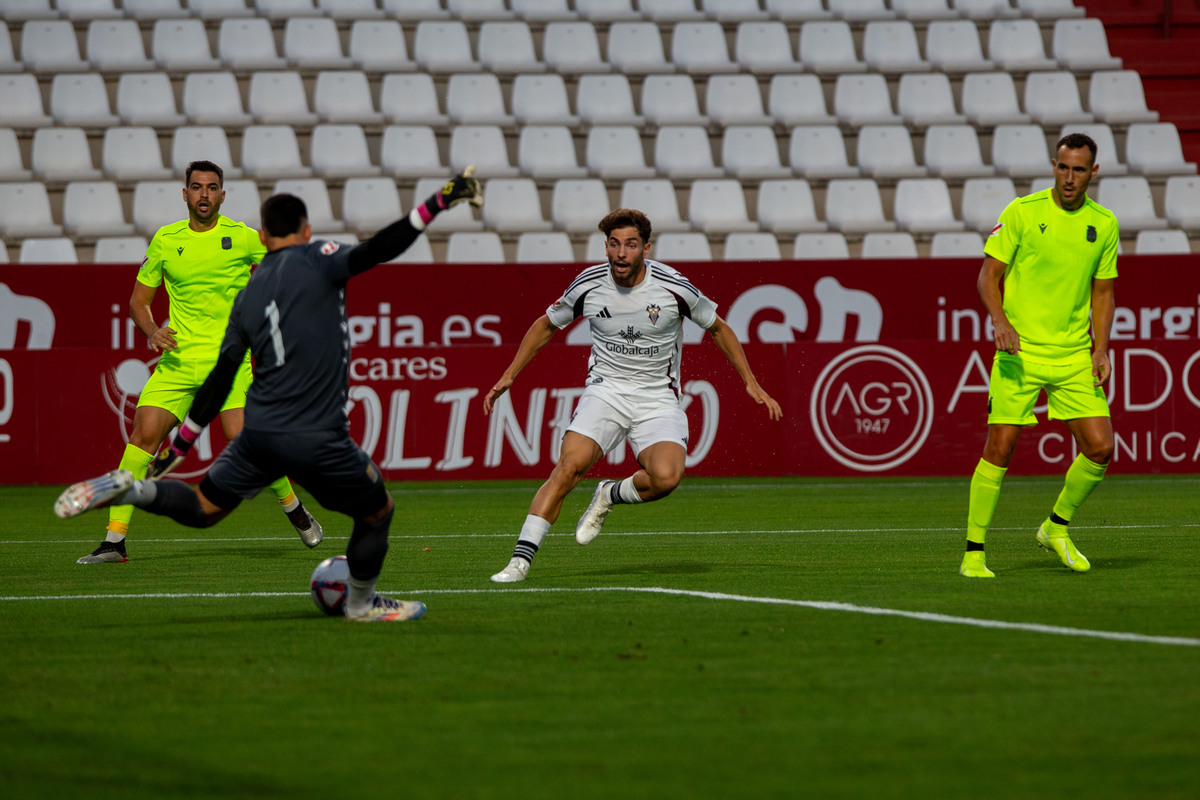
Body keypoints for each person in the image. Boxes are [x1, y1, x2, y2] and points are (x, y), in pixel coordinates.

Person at [55, 168, 485, 621]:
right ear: (307, 231)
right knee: (378, 511)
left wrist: (179, 447)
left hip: (261, 433)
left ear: (261, 236)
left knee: (203, 507)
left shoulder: (248, 296)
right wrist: (441, 199)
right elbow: (380, 248)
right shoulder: (320, 257)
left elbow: (220, 379)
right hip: (317, 432)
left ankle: (135, 489)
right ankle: (359, 604)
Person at [484, 208, 783, 583]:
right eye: (614, 244)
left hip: (657, 397)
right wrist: (510, 374)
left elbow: (718, 328)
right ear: (606, 247)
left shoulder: (674, 287)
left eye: (630, 244)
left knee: (666, 478)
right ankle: (519, 562)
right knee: (568, 468)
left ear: (646, 248)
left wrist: (749, 380)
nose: (621, 253)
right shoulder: (588, 285)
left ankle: (610, 494)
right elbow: (546, 325)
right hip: (606, 392)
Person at [78, 160, 323, 564]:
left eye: (212, 188)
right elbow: (138, 301)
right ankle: (114, 542)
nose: (204, 194)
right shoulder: (166, 239)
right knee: (142, 439)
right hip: (177, 363)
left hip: (229, 362)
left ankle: (294, 509)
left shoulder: (243, 238)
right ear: (185, 193)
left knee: (245, 440)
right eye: (196, 187)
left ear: (222, 195)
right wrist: (151, 329)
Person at [961, 132, 1118, 578]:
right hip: (1021, 352)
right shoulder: (1022, 213)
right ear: (1054, 165)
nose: (1069, 178)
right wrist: (1000, 321)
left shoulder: (1104, 223)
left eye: (1079, 169)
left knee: (1101, 448)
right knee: (1001, 447)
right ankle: (974, 554)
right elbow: (987, 277)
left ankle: (1055, 526)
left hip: (1072, 355)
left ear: (1093, 172)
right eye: (1063, 167)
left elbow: (1103, 292)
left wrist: (1101, 348)